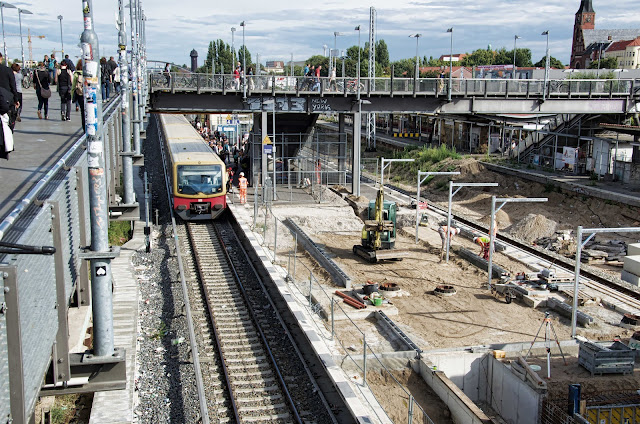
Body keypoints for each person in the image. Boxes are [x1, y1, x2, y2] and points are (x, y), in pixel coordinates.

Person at [72, 60, 85, 129]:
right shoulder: (90, 72)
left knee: (83, 112)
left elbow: (73, 86)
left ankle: (84, 129)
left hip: (80, 94)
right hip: (89, 95)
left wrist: (72, 97)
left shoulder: (76, 74)